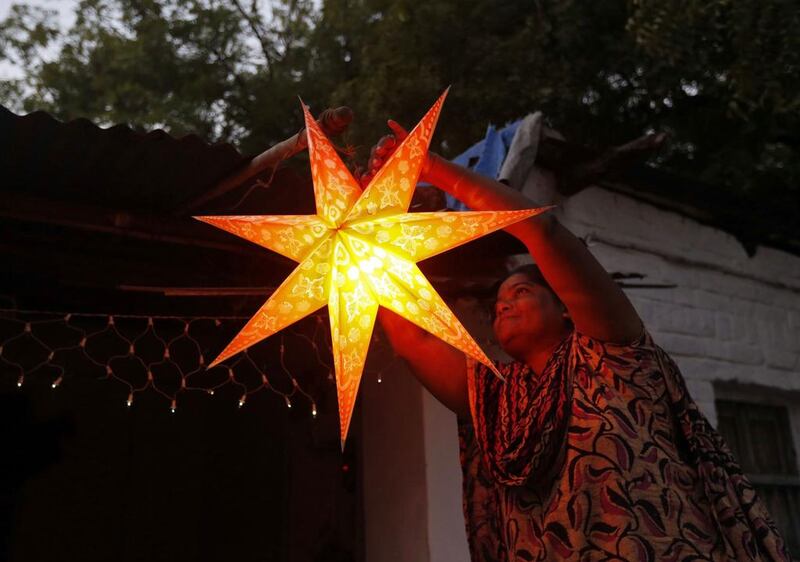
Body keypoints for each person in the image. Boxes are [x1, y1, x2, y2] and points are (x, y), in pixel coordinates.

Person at [361, 120, 790, 561]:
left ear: (565, 306)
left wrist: (431, 167)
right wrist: (366, 236)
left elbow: (539, 230)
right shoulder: (499, 401)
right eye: (498, 303)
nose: (502, 307)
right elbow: (412, 340)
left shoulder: (614, 356)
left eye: (521, 292)